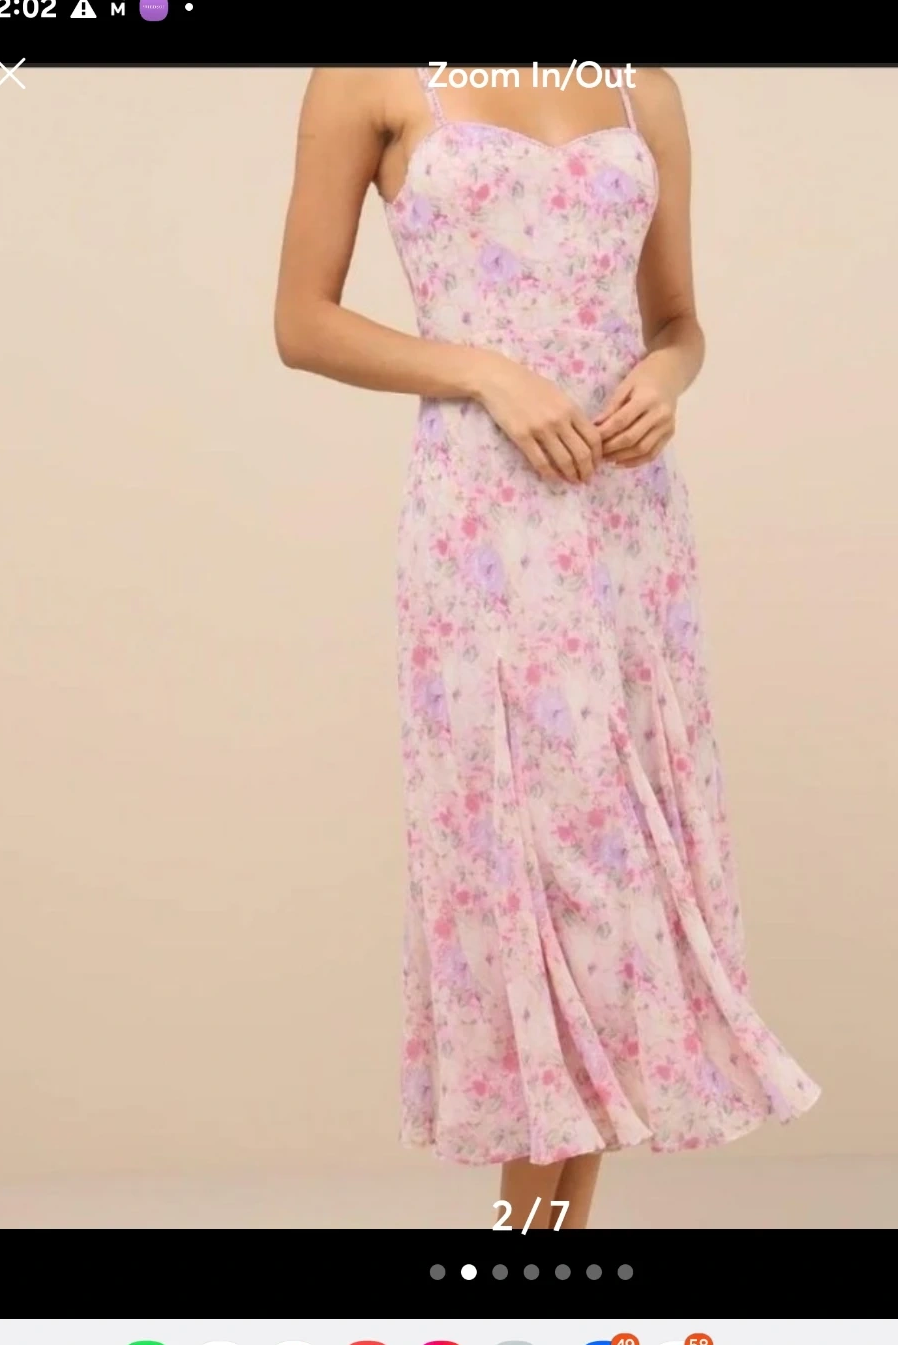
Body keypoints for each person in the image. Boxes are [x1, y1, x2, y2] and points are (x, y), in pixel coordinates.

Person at [274, 66, 819, 1229]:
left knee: (610, 882)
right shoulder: (368, 80)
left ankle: (536, 1260)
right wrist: (484, 372)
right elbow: (302, 323)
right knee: (522, 873)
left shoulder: (641, 90)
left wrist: (665, 375)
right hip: (482, 523)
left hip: (627, 522)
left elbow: (677, 320)